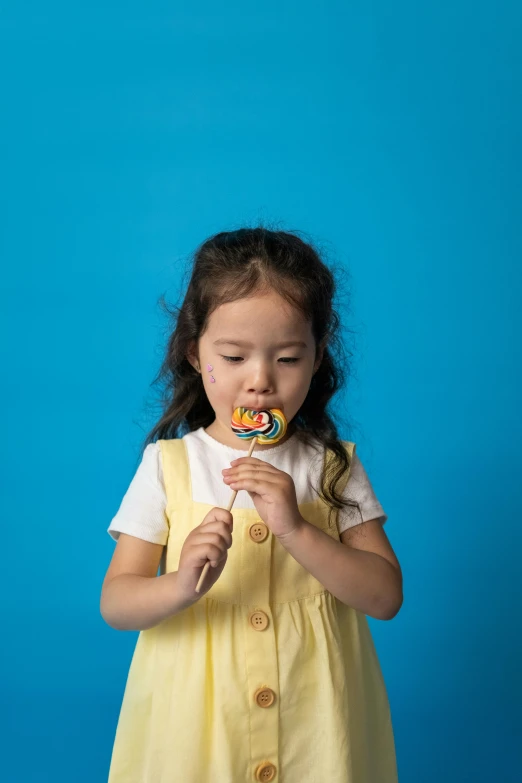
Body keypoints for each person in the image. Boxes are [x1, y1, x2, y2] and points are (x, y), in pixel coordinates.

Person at [101, 227, 403, 783]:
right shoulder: (169, 465)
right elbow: (117, 604)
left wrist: (298, 530)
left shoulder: (333, 465)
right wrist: (180, 583)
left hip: (315, 715)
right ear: (195, 353)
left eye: (288, 358)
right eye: (234, 356)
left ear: (317, 357)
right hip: (196, 726)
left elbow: (384, 597)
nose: (260, 381)